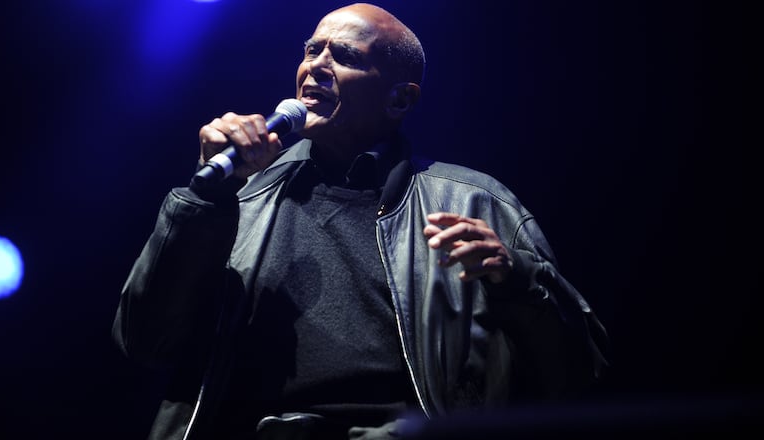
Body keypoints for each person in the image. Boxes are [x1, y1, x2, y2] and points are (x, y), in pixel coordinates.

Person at [112, 3, 608, 439]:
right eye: (312, 50)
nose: (316, 66)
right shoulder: (237, 194)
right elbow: (146, 342)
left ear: (400, 99)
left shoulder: (474, 203)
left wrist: (517, 281)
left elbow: (577, 374)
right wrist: (207, 200)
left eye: (345, 56)